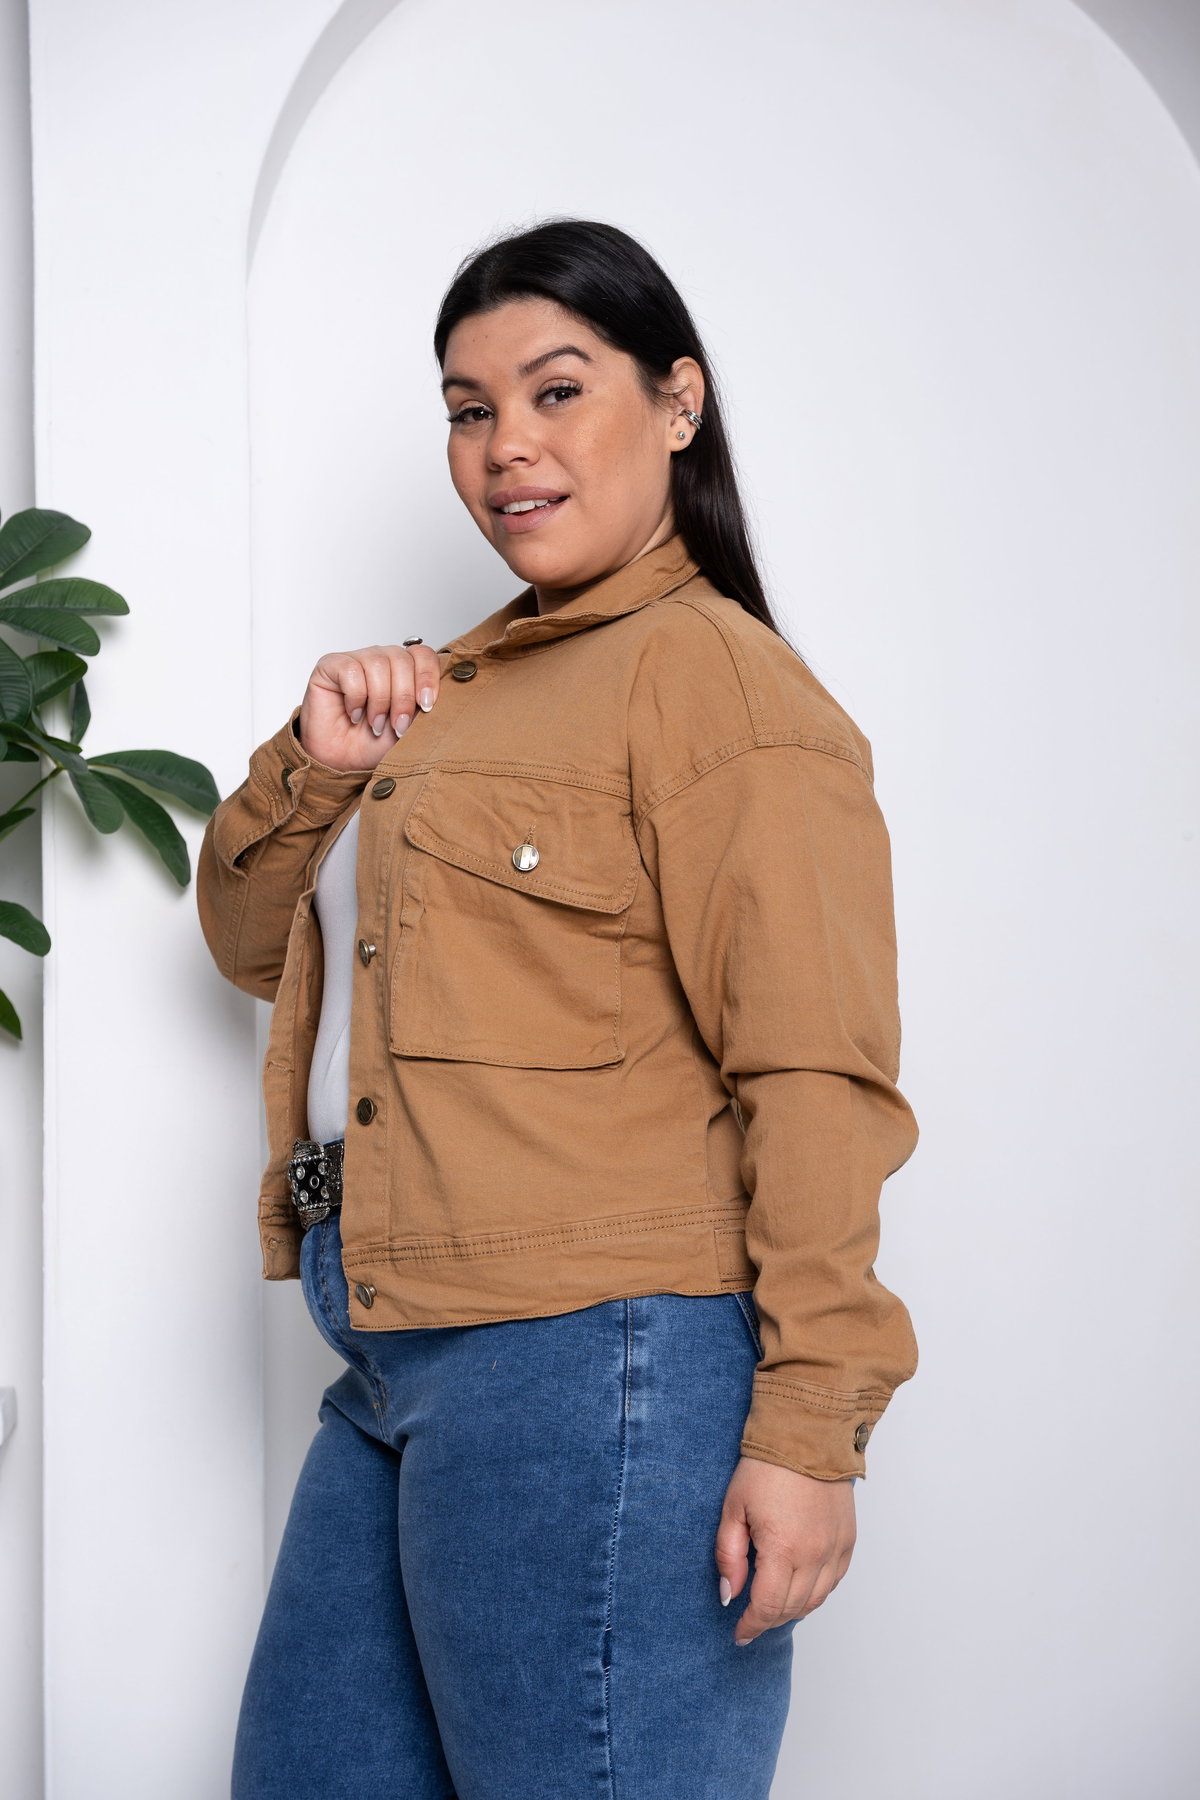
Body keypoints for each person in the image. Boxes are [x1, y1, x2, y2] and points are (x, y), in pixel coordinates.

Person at [198, 217, 919, 1800]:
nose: (506, 446)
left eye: (556, 390)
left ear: (679, 402)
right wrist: (317, 766)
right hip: (387, 1345)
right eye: (469, 410)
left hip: (600, 1362)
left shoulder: (725, 690)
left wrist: (811, 1425)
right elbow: (252, 947)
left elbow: (816, 1077)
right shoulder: (442, 691)